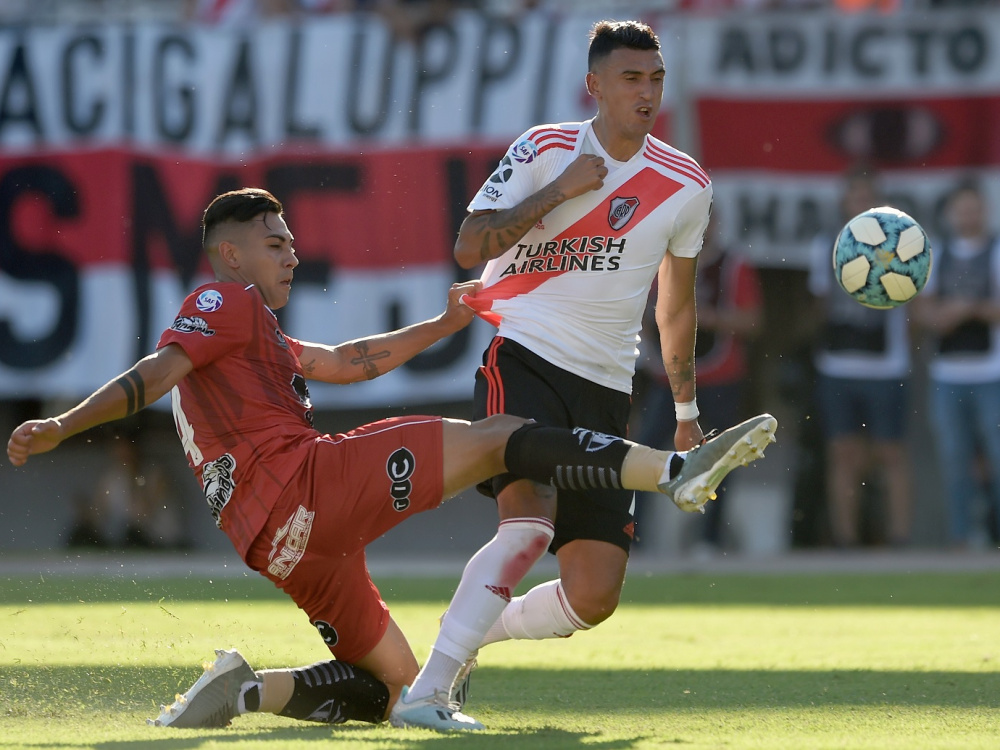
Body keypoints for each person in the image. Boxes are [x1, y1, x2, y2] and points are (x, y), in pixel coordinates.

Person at [6, 187, 777, 732]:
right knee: (500, 436)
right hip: (306, 485)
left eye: (292, 243)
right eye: (275, 243)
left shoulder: (257, 334)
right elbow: (156, 372)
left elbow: (347, 361)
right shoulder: (224, 301)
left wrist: (444, 324)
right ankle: (675, 471)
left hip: (279, 546)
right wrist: (66, 423)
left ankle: (245, 692)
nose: (292, 256)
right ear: (229, 253)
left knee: (393, 690)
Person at [392, 20, 776, 731]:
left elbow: (677, 304)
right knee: (529, 527)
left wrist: (686, 406)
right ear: (594, 85)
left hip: (607, 387)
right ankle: (424, 695)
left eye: (656, 79)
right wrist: (557, 192)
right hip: (524, 359)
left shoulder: (685, 183)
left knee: (593, 597)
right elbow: (468, 244)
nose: (647, 93)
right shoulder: (545, 149)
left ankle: (466, 642)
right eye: (632, 79)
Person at [633, 212, 764, 555]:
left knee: (721, 461)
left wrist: (710, 319)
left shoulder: (734, 266)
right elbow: (643, 314)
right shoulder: (662, 263)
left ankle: (708, 539)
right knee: (644, 456)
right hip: (670, 383)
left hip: (720, 379)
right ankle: (633, 536)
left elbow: (752, 322)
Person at [806, 166, 914, 549]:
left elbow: (915, 305)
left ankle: (899, 538)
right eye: (855, 198)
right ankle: (846, 541)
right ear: (844, 204)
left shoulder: (905, 245)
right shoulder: (825, 246)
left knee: (890, 454)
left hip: (887, 366)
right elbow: (819, 307)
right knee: (842, 453)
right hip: (837, 365)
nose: (861, 204)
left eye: (868, 198)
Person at [913, 178, 1000, 549]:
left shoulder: (996, 251)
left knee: (995, 458)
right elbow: (921, 311)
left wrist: (969, 309)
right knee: (954, 459)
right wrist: (944, 316)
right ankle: (961, 537)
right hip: (946, 375)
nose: (968, 215)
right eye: (962, 209)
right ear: (950, 214)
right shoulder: (937, 254)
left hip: (991, 373)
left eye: (974, 208)